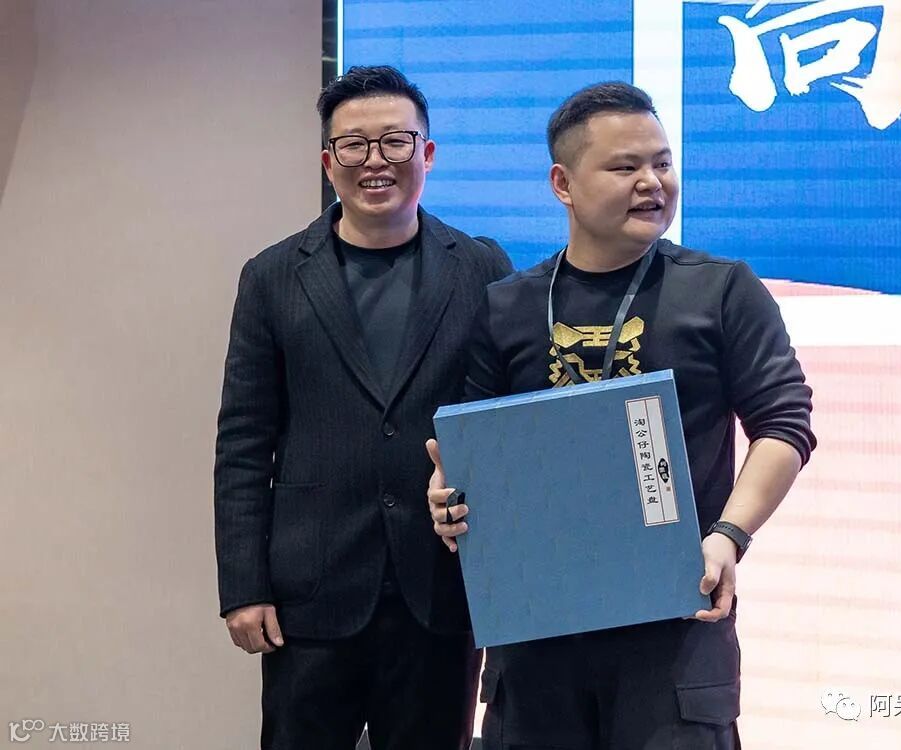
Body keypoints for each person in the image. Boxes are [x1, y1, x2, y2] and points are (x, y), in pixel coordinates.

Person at [427, 82, 816, 749]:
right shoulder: (507, 306)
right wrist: (448, 497)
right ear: (563, 183)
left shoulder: (720, 289)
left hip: (676, 630)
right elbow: (473, 448)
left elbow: (784, 425)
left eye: (662, 163)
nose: (651, 182)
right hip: (538, 640)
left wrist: (728, 536)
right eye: (625, 166)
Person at [214, 65, 512, 750]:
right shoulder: (272, 276)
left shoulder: (481, 269)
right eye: (353, 145)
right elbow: (243, 442)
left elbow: (503, 423)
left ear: (426, 153)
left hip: (441, 590)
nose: (375, 161)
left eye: (395, 141)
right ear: (329, 162)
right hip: (311, 594)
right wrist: (244, 586)